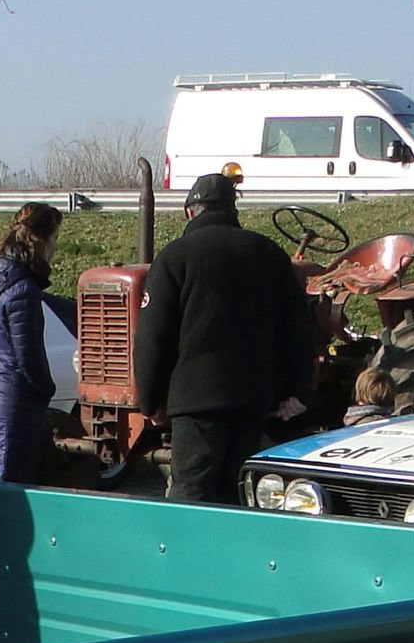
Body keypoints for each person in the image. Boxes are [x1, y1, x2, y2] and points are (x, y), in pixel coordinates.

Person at [134, 172, 316, 504]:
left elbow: (153, 335)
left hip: (195, 404)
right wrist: (298, 390)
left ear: (191, 211)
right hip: (254, 398)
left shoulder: (175, 257)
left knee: (192, 493)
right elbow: (298, 330)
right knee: (239, 491)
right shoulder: (270, 254)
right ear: (233, 209)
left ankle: (190, 555)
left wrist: (150, 399)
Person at [0, 203, 62, 484]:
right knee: (13, 482)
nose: (55, 247)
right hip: (13, 399)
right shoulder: (23, 289)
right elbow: (28, 355)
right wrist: (47, 389)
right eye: (55, 238)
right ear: (41, 239)